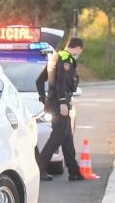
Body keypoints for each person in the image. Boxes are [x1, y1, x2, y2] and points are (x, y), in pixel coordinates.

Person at [36, 36, 84, 181]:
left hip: (53, 103)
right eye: (80, 50)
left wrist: (43, 98)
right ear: (77, 48)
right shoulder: (66, 59)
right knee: (57, 138)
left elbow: (39, 80)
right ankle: (39, 169)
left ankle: (74, 171)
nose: (79, 53)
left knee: (67, 137)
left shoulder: (54, 57)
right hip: (59, 104)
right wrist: (62, 102)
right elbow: (61, 82)